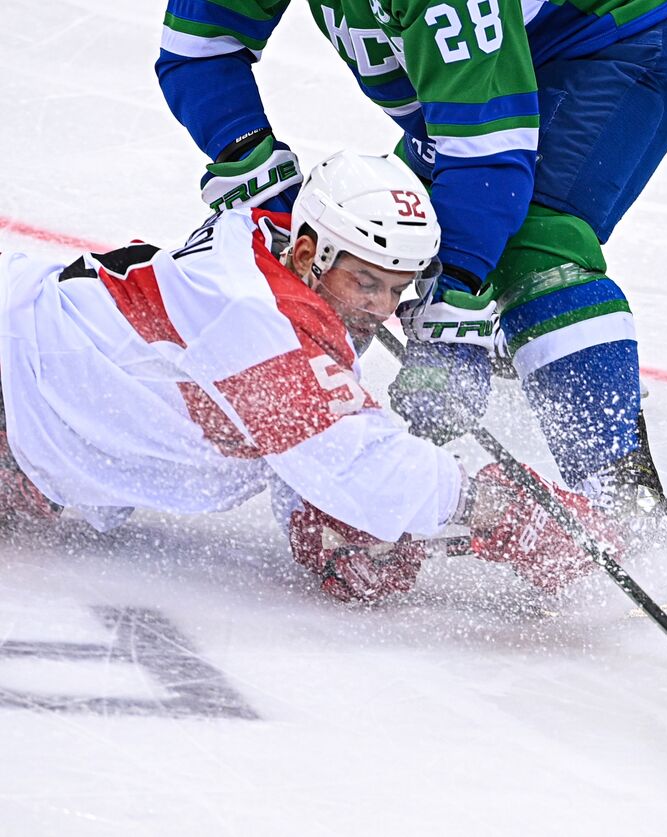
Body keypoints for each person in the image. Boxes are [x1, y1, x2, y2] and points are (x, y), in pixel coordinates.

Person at [155, 0, 667, 517]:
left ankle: (622, 491)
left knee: (531, 240)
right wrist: (251, 166)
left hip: (614, 35)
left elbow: (489, 167)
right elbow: (200, 48)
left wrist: (452, 306)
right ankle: (322, 422)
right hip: (499, 52)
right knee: (391, 228)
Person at [0, 151, 621, 604]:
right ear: (308, 254)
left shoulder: (283, 265)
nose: (381, 311)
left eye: (398, 290)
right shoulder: (257, 316)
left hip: (32, 411)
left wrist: (346, 521)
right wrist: (500, 509)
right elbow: (354, 462)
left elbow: (311, 449)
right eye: (368, 283)